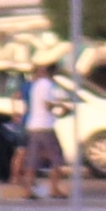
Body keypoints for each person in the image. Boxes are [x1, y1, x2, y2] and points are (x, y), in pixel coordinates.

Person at [19, 61, 68, 202]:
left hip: (33, 126)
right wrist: (60, 107)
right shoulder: (47, 85)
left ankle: (27, 190)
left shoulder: (36, 85)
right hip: (45, 126)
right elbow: (47, 104)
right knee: (57, 158)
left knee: (32, 159)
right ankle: (54, 189)